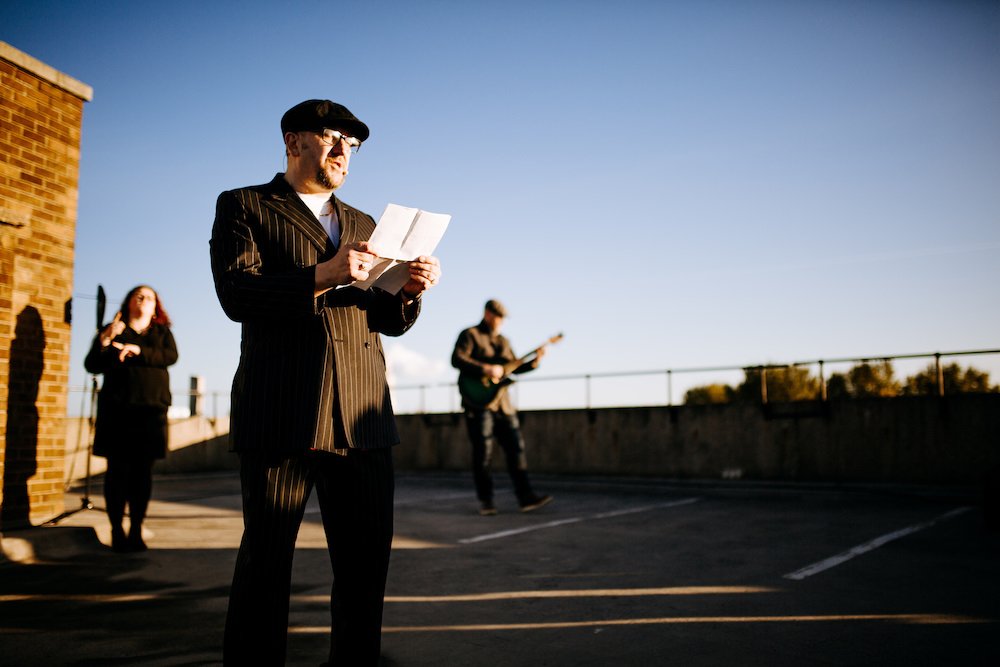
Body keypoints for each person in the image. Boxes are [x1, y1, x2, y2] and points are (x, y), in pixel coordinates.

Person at [210, 99, 441, 667]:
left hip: (362, 415)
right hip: (282, 410)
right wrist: (324, 274)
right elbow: (237, 294)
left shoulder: (365, 224)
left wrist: (410, 290)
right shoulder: (244, 205)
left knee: (365, 572)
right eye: (333, 138)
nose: (344, 152)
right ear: (293, 143)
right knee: (265, 564)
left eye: (353, 145)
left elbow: (384, 318)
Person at [83, 285, 178, 552]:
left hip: (150, 413)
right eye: (139, 295)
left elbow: (170, 357)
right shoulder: (113, 328)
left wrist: (138, 351)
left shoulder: (161, 333)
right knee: (117, 474)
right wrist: (104, 341)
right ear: (128, 302)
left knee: (142, 474)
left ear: (155, 306)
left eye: (149, 297)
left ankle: (136, 529)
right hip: (118, 413)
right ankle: (116, 531)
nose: (143, 300)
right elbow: (92, 364)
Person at [452, 299, 553, 516]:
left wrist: (535, 361)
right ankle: (486, 501)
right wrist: (485, 368)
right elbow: (457, 359)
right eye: (499, 318)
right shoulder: (470, 335)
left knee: (516, 450)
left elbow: (512, 367)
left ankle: (526, 498)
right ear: (488, 314)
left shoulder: (504, 341)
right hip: (478, 405)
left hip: (503, 405)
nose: (502, 323)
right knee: (483, 455)